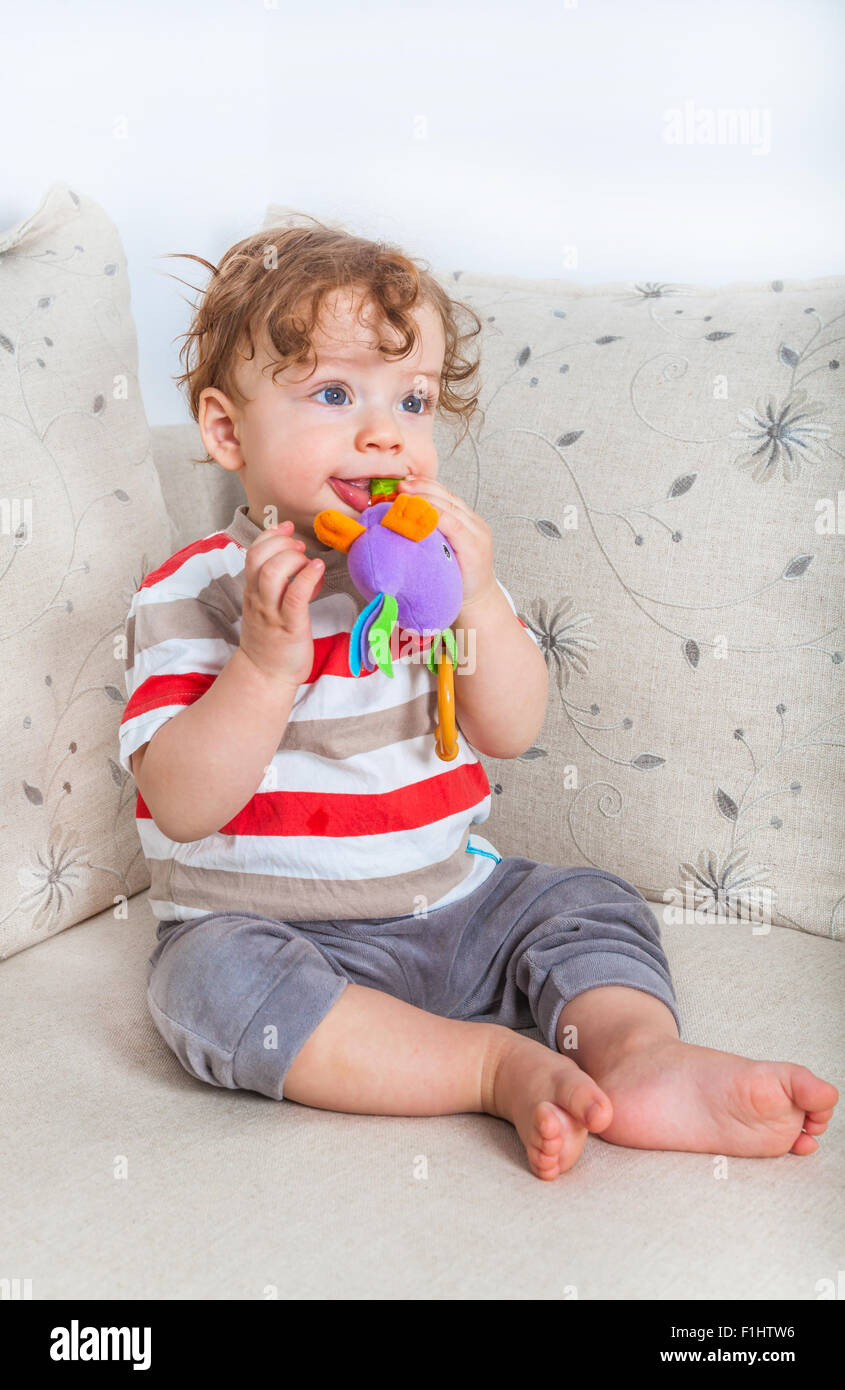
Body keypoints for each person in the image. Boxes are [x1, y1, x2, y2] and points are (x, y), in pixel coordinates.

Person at [119, 221, 837, 1179]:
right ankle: (492, 1067)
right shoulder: (195, 590)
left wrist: (485, 602)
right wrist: (262, 665)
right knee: (206, 985)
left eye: (410, 401)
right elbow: (182, 802)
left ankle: (633, 1056)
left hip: (455, 905)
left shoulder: (430, 578)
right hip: (276, 930)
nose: (384, 432)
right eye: (334, 394)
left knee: (587, 899)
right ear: (224, 430)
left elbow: (510, 727)